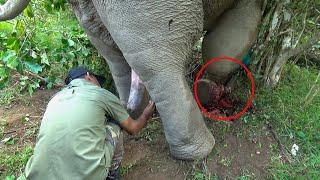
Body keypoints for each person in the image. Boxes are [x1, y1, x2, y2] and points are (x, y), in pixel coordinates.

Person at [23, 66, 155, 180]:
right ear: (88, 76)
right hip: (87, 176)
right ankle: (112, 174)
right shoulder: (100, 93)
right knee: (115, 125)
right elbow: (133, 128)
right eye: (98, 81)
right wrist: (145, 115)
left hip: (37, 174)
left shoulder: (55, 99)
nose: (99, 85)